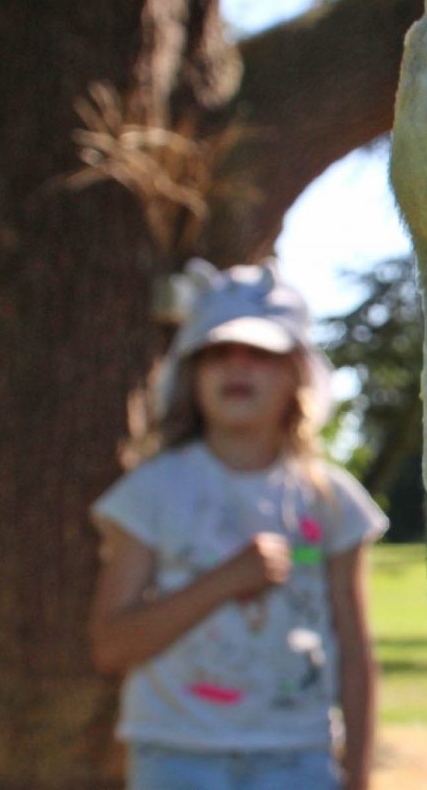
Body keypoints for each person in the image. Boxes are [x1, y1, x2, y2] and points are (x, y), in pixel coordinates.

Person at [90, 259, 388, 790]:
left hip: (298, 760)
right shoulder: (150, 492)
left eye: (261, 354)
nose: (237, 367)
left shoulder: (332, 501)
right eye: (217, 353)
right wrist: (226, 581)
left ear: (297, 372)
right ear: (190, 373)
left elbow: (355, 655)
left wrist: (359, 775)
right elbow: (111, 646)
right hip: (175, 756)